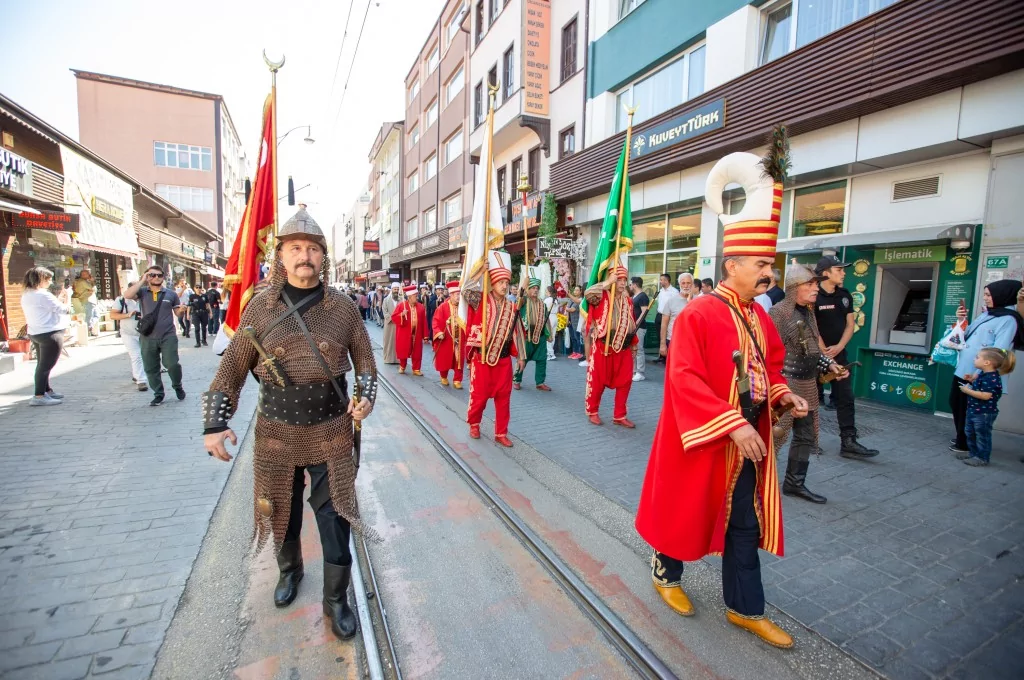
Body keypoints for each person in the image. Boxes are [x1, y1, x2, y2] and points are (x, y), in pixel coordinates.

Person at [636, 145, 808, 649]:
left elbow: (769, 366)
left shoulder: (757, 314)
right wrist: (730, 422)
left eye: (770, 263)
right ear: (732, 264)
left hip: (747, 438)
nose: (769, 272)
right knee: (685, 509)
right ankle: (666, 574)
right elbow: (683, 378)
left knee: (744, 524)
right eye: (761, 263)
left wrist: (782, 395)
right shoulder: (698, 313)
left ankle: (746, 608)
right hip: (705, 435)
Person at [202, 207, 377, 641]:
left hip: (330, 428)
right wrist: (215, 423)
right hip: (277, 430)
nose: (305, 256)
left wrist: (365, 398)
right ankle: (290, 570)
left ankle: (336, 599)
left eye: (313, 248)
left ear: (323, 257)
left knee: (336, 514)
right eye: (295, 248)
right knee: (279, 507)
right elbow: (232, 367)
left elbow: (365, 362)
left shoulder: (343, 308)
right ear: (280, 256)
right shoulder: (260, 308)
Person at [769, 263, 848, 504]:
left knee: (804, 437)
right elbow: (768, 353)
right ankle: (756, 482)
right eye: (811, 284)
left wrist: (829, 364)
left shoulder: (809, 312)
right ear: (795, 287)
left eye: (816, 284)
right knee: (775, 436)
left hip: (807, 384)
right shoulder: (779, 313)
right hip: (785, 385)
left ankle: (794, 484)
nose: (816, 289)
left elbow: (812, 349)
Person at [813, 255, 879, 459]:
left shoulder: (844, 295)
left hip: (839, 356)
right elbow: (810, 326)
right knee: (809, 400)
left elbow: (850, 324)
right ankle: (808, 442)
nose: (843, 273)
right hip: (815, 356)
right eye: (839, 270)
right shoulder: (812, 295)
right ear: (826, 273)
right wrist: (825, 351)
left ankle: (849, 442)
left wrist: (840, 346)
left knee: (845, 398)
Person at [949, 279, 1024, 454]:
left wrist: (979, 373)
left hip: (980, 373)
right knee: (956, 402)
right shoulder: (988, 314)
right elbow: (966, 334)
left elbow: (999, 350)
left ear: (1002, 295)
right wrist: (961, 319)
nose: (985, 298)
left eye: (989, 295)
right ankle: (963, 436)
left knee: (971, 408)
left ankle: (966, 443)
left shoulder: (1008, 320)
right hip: (964, 369)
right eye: (985, 294)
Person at [465, 250, 526, 447]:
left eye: (507, 282)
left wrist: (521, 356)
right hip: (482, 359)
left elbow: (517, 331)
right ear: (492, 282)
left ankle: (501, 432)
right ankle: (474, 424)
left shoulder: (511, 306)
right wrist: (480, 272)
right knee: (479, 396)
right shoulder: (481, 300)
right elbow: (466, 290)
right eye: (501, 282)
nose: (504, 286)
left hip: (503, 360)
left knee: (504, 398)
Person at [583, 255, 638, 428]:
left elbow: (631, 322)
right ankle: (593, 411)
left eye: (624, 280)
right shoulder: (602, 296)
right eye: (619, 279)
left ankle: (619, 415)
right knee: (598, 381)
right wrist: (608, 282)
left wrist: (634, 344)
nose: (622, 283)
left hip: (623, 346)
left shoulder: (628, 300)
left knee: (626, 380)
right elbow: (588, 294)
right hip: (603, 346)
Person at [124, 266, 187, 406]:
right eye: (152, 275)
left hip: (168, 335)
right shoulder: (142, 292)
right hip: (147, 336)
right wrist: (142, 280)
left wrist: (182, 310)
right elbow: (127, 295)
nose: (156, 277)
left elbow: (177, 313)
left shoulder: (171, 294)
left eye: (159, 275)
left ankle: (177, 386)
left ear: (163, 277)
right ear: (147, 276)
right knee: (150, 368)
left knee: (172, 364)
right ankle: (158, 394)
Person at [21, 267, 71, 406]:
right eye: (48, 279)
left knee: (42, 364)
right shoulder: (42, 295)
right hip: (50, 333)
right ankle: (39, 396)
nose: (50, 282)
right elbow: (64, 310)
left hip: (36, 332)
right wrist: (68, 298)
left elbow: (45, 308)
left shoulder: (27, 294)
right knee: (46, 366)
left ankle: (46, 390)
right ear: (40, 279)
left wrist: (58, 300)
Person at [957, 347, 1016, 466]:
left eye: (977, 357)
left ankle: (982, 458)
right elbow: (981, 388)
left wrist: (967, 391)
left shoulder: (991, 378)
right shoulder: (984, 375)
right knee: (970, 433)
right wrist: (971, 381)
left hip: (984, 413)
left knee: (982, 436)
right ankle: (973, 453)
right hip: (974, 410)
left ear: (987, 362)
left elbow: (985, 396)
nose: (974, 359)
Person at [514, 278, 553, 391]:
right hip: (526, 335)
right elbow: (518, 301)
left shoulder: (542, 303)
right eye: (533, 288)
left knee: (542, 359)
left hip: (540, 335)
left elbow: (546, 319)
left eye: (537, 288)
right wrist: (523, 286)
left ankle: (540, 382)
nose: (535, 290)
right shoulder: (524, 301)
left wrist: (549, 334)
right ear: (528, 289)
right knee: (522, 358)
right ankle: (517, 380)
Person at [110, 287, 148, 391]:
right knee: (136, 355)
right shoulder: (121, 300)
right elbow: (113, 315)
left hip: (145, 333)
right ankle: (141, 380)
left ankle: (137, 375)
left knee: (144, 356)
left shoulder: (146, 299)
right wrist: (127, 315)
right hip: (128, 333)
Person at [431, 280, 466, 388]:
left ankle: (457, 380)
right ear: (451, 295)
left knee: (459, 360)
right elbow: (435, 321)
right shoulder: (442, 307)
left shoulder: (463, 308)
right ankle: (444, 377)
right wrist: (438, 332)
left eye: (459, 295)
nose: (459, 297)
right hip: (446, 339)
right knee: (445, 359)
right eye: (457, 295)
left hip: (460, 339)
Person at [391, 284, 426, 375]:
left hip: (417, 333)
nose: (417, 298)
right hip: (404, 333)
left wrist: (425, 335)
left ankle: (416, 369)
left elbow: (424, 322)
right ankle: (402, 366)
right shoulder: (401, 306)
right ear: (409, 297)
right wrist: (402, 315)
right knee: (403, 349)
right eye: (415, 296)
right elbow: (394, 317)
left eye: (416, 296)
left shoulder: (421, 307)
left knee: (417, 351)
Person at [659, 283, 688, 365]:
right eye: (683, 283)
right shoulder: (671, 301)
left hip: (691, 343)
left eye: (688, 283)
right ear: (679, 284)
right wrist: (662, 344)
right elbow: (664, 324)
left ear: (692, 284)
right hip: (673, 340)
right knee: (673, 367)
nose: (686, 285)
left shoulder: (698, 301)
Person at [653, 273, 679, 364]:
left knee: (667, 336)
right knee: (660, 336)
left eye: (662, 280)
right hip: (659, 315)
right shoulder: (660, 291)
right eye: (660, 280)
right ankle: (661, 356)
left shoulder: (674, 292)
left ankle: (667, 357)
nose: (660, 281)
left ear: (667, 281)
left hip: (668, 316)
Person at [630, 277, 650, 382]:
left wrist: (637, 323)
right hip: (633, 327)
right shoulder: (635, 296)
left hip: (639, 327)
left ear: (635, 284)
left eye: (631, 284)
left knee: (639, 349)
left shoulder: (642, 296)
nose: (630, 286)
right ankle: (634, 371)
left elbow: (644, 311)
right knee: (634, 349)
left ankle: (640, 372)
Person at [72, 268, 99, 337]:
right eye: (84, 274)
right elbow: (93, 289)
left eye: (87, 274)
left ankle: (90, 328)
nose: (86, 275)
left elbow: (93, 290)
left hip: (91, 300)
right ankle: (88, 331)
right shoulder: (82, 282)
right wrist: (92, 283)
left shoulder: (86, 281)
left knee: (95, 316)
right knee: (89, 316)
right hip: (88, 300)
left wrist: (91, 287)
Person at [381, 282, 401, 364]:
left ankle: (398, 359)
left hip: (399, 324)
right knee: (388, 341)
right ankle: (388, 359)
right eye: (394, 289)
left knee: (398, 342)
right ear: (391, 290)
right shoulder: (386, 300)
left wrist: (398, 318)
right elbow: (384, 311)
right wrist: (392, 318)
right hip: (389, 324)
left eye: (397, 289)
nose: (396, 290)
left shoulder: (402, 300)